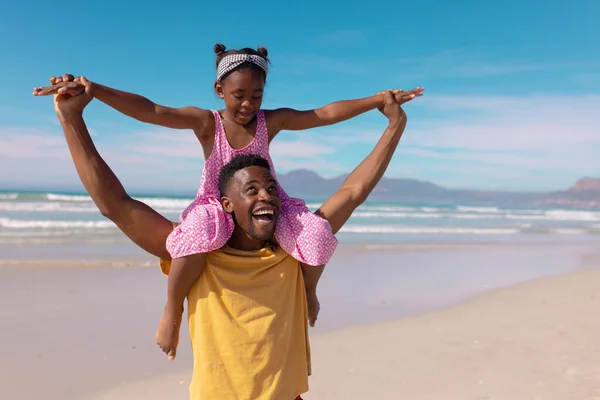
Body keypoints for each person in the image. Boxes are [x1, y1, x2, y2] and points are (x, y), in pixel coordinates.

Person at [33, 44, 423, 360]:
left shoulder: (271, 122)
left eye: (257, 95)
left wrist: (377, 101)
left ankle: (309, 291)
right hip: (214, 204)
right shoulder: (208, 123)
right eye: (239, 95)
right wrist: (96, 91)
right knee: (200, 231)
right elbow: (150, 110)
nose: (248, 104)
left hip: (269, 205)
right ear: (219, 90)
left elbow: (322, 114)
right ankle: (173, 309)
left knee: (317, 232)